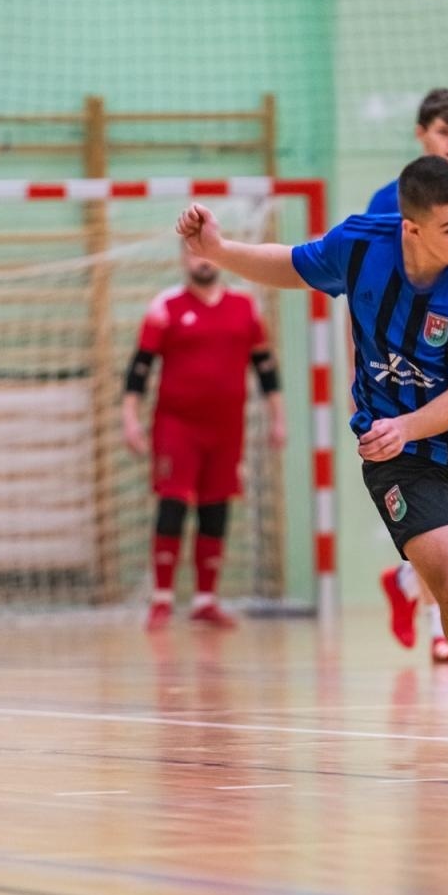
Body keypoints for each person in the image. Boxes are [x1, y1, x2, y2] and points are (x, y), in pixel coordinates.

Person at [177, 155, 448, 762]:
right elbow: (294, 265)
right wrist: (221, 249)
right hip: (400, 453)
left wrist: (406, 423)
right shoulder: (363, 245)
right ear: (410, 229)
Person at [368, 88, 448, 665]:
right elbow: (365, 296)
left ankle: (407, 588)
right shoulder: (385, 204)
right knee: (429, 491)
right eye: (445, 130)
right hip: (406, 374)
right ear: (421, 133)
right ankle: (438, 623)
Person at [123, 248, 285, 630]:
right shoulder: (166, 307)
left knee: (216, 507)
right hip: (176, 425)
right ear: (183, 259)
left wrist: (279, 418)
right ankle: (161, 599)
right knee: (174, 503)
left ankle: (204, 600)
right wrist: (129, 417)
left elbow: (265, 368)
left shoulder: (245, 307)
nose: (202, 261)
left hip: (227, 428)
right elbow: (140, 367)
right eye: (193, 255)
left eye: (206, 254)